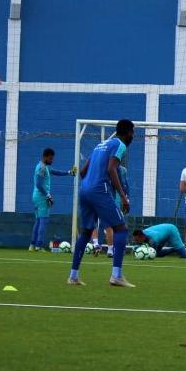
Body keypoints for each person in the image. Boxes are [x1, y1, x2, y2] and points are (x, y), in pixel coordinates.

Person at [68, 120, 136, 287]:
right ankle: (116, 276)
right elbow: (111, 169)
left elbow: (83, 172)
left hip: (84, 190)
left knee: (86, 231)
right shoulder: (120, 145)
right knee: (121, 228)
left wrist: (91, 186)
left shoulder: (99, 146)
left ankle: (73, 276)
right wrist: (123, 196)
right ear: (127, 132)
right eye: (132, 132)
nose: (133, 136)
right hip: (99, 189)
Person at [28, 148, 77, 252]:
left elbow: (55, 172)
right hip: (41, 197)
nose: (52, 160)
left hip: (37, 196)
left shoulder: (43, 166)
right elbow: (38, 184)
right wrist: (48, 195)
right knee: (43, 221)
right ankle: (39, 246)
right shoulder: (41, 168)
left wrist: (69, 172)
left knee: (38, 221)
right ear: (45, 157)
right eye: (50, 158)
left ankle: (32, 246)